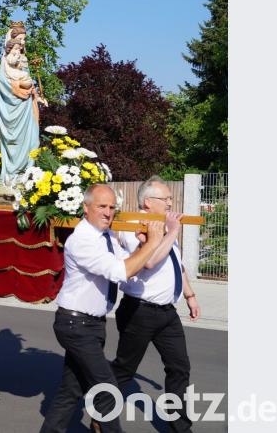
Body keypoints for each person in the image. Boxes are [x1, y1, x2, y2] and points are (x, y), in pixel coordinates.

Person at [40, 184, 164, 433]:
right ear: (86, 208)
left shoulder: (105, 237)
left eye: (111, 207)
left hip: (93, 324)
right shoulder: (83, 240)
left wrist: (142, 246)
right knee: (106, 388)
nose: (108, 212)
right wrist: (153, 243)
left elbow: (127, 264)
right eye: (101, 206)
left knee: (70, 390)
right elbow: (121, 271)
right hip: (75, 325)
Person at [111, 176, 201, 432]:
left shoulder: (162, 223)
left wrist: (190, 295)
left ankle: (180, 427)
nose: (171, 203)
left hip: (166, 313)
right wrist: (171, 231)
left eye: (171, 199)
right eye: (166, 199)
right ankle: (101, 410)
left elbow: (176, 262)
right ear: (148, 202)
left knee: (179, 367)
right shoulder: (132, 225)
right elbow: (149, 261)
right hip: (139, 311)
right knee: (124, 369)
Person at [0, 21, 41, 187]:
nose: (23, 43)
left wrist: (34, 93)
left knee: (33, 141)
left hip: (26, 107)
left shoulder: (23, 60)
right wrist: (19, 88)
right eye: (20, 39)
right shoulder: (6, 62)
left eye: (24, 39)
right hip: (13, 108)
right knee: (15, 143)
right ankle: (12, 176)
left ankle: (27, 174)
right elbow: (4, 84)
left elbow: (29, 82)